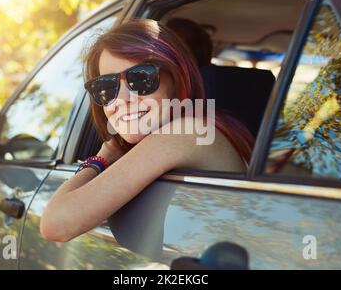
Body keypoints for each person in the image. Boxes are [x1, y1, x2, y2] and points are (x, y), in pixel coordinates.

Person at [40, 19, 254, 242]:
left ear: (178, 79)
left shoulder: (187, 132)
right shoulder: (203, 129)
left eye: (141, 78)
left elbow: (56, 224)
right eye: (106, 87)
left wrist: (102, 158)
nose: (122, 100)